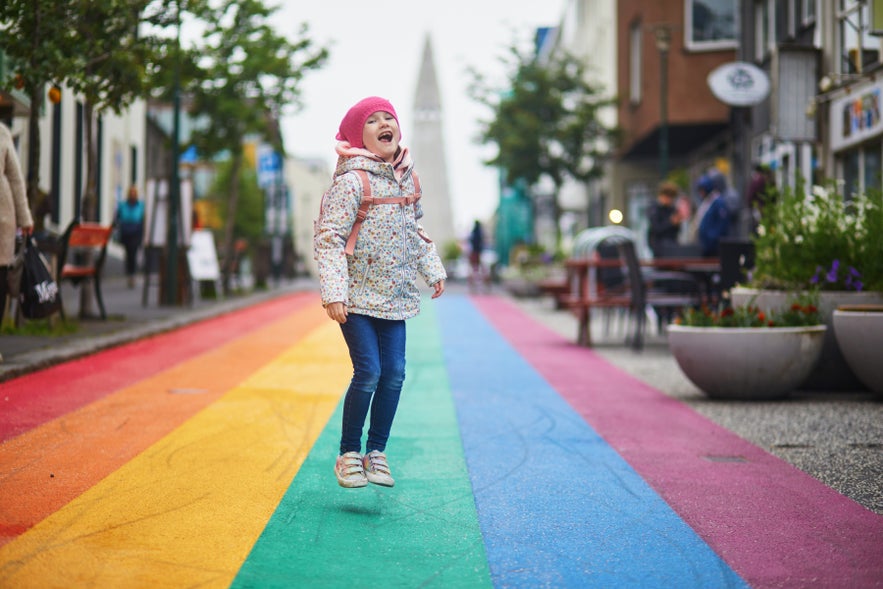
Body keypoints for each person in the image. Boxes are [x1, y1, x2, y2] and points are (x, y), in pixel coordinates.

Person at [313, 96, 447, 489]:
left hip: (395, 298)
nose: (384, 123)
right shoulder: (352, 182)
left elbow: (415, 232)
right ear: (359, 137)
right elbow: (330, 239)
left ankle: (376, 452)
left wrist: (433, 268)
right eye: (372, 120)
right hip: (355, 298)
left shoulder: (408, 178)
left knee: (395, 375)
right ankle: (349, 454)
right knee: (369, 371)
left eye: (389, 117)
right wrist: (334, 292)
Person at [0, 122, 34, 346]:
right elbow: (16, 179)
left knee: (0, 279)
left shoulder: (2, 132)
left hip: (2, 219)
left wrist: (24, 218)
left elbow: (15, 178)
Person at [693, 173, 730, 257]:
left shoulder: (718, 201)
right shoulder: (706, 201)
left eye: (703, 190)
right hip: (705, 245)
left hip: (714, 246)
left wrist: (712, 238)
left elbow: (722, 224)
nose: (701, 193)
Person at [115, 185, 145, 288]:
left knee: (133, 252)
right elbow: (118, 217)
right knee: (129, 253)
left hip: (136, 232)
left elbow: (142, 218)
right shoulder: (123, 205)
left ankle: (131, 274)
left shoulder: (140, 205)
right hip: (126, 232)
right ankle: (130, 273)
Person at [646, 181, 684, 257]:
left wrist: (677, 223)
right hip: (658, 248)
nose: (670, 200)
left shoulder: (672, 209)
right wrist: (671, 222)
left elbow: (677, 231)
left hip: (671, 246)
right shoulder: (654, 209)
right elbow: (656, 228)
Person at [468, 219, 489, 292]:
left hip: (474, 253)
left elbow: (470, 243)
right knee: (482, 270)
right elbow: (483, 243)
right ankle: (485, 285)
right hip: (480, 253)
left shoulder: (473, 233)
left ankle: (473, 286)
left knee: (474, 270)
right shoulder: (480, 233)